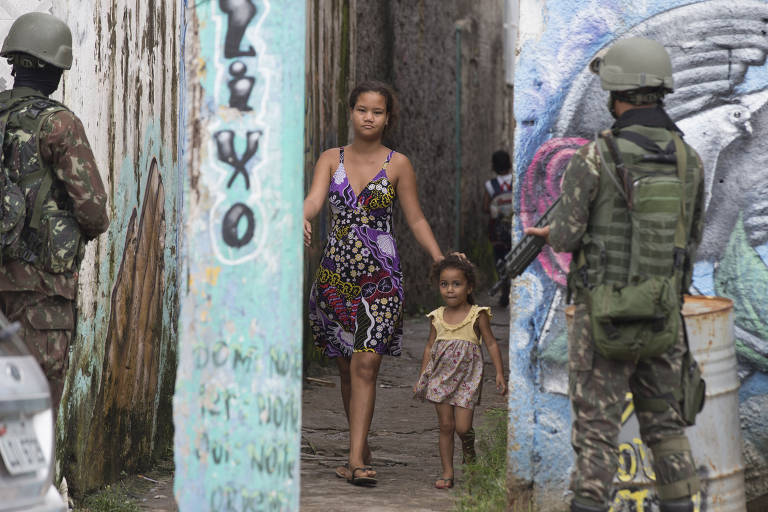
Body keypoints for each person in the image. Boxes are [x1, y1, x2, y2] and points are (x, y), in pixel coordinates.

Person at [525, 37, 705, 512]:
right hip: (664, 317)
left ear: (617, 93)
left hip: (599, 317)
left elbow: (565, 237)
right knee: (666, 431)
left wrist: (550, 231)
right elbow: (693, 236)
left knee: (597, 435)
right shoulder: (690, 162)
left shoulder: (595, 157)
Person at [304, 80, 444, 486]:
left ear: (388, 117)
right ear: (352, 112)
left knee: (367, 364)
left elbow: (415, 218)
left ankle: (355, 461)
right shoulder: (331, 158)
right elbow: (314, 198)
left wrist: (441, 260)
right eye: (362, 109)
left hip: (380, 280)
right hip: (335, 279)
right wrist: (304, 214)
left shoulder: (398, 164)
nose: (369, 117)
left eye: (377, 111)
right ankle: (359, 447)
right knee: (348, 371)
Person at [0, 12, 110, 413]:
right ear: (58, 69)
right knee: (34, 409)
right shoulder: (59, 124)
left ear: (14, 65)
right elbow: (95, 212)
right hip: (39, 293)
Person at [413, 254, 507, 490]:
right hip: (440, 380)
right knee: (446, 426)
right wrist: (422, 376)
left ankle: (469, 451)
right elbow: (428, 347)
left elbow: (491, 343)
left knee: (463, 429)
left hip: (467, 381)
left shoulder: (478, 315)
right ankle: (448, 471)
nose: (450, 290)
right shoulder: (436, 317)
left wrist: (498, 373)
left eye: (457, 284)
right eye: (444, 284)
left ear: (469, 287)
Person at [482, 150, 514, 306]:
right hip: (516, 230)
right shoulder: (518, 181)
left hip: (498, 232)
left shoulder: (490, 185)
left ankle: (505, 291)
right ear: (509, 164)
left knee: (500, 260)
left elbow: (485, 207)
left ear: (493, 166)